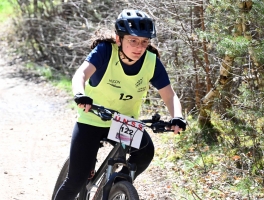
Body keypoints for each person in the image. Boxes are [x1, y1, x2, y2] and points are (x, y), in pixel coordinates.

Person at [53, 9, 186, 200]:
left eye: (144, 42)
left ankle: (117, 186)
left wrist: (177, 116)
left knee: (145, 152)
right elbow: (80, 75)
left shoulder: (151, 61)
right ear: (118, 39)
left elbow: (170, 95)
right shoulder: (105, 51)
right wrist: (81, 95)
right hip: (92, 121)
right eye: (133, 40)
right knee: (77, 179)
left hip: (123, 124)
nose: (139, 47)